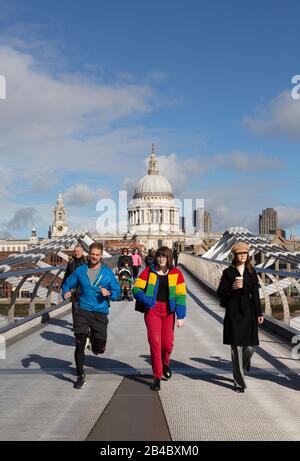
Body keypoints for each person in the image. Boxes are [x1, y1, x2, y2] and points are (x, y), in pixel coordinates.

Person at [62, 242, 121, 389]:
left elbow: (117, 291)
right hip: (82, 309)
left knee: (99, 349)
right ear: (89, 254)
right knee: (79, 344)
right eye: (92, 254)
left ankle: (94, 344)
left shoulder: (107, 273)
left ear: (101, 256)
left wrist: (109, 294)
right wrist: (66, 292)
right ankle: (80, 375)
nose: (94, 257)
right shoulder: (81, 270)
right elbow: (67, 284)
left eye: (97, 255)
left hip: (100, 312)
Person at [133, 246, 186, 391]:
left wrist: (181, 316)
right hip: (153, 310)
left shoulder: (176, 273)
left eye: (164, 256)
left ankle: (165, 363)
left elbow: (181, 295)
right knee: (155, 343)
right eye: (159, 256)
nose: (161, 259)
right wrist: (146, 299)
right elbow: (136, 289)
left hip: (169, 311)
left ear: (169, 258)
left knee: (167, 344)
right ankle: (157, 376)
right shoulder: (149, 272)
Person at [217, 242, 264, 393]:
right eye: (240, 253)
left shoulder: (252, 272)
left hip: (249, 311)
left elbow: (255, 295)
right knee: (236, 347)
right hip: (234, 312)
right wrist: (232, 288)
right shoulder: (228, 272)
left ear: (248, 255)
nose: (243, 255)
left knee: (250, 347)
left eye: (245, 253)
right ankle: (238, 381)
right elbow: (220, 292)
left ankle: (242, 366)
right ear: (235, 255)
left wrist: (259, 313)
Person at [61, 245, 86, 328]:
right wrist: (64, 286)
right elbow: (67, 274)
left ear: (82, 252)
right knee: (75, 306)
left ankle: (83, 324)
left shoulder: (86, 261)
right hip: (74, 287)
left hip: (84, 287)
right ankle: (76, 325)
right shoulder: (71, 261)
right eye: (75, 251)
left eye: (78, 251)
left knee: (83, 307)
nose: (77, 253)